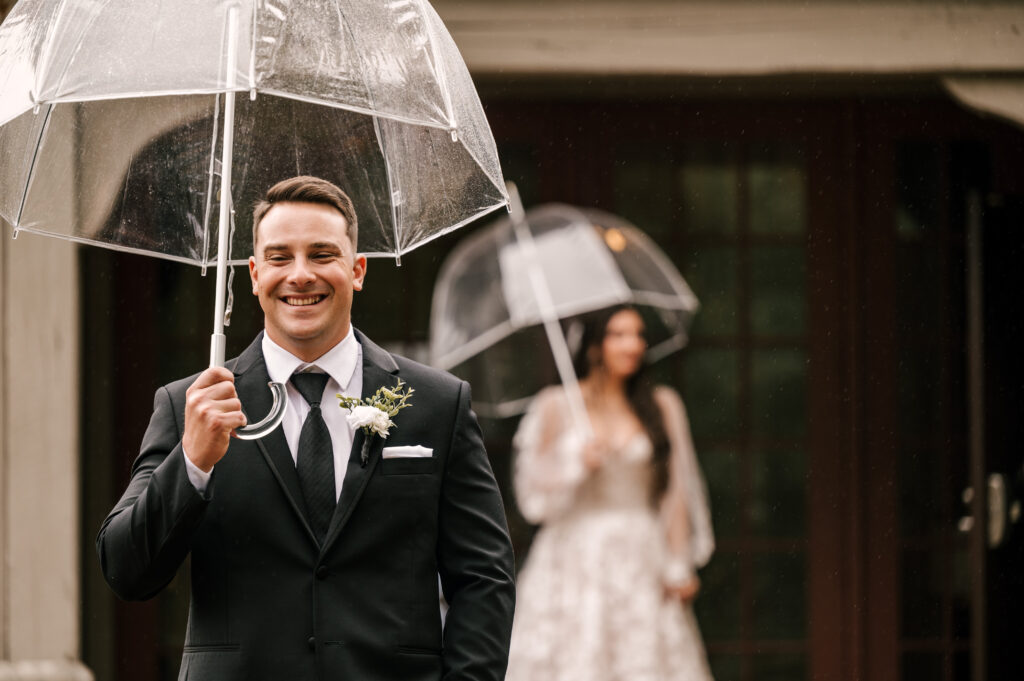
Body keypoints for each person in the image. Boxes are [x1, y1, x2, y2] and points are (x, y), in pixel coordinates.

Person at [97, 176, 516, 681]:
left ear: (356, 270)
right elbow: (127, 572)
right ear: (253, 274)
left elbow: (483, 579)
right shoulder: (190, 405)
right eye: (279, 257)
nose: (300, 275)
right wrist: (192, 463)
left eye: (322, 255)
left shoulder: (439, 403)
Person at [504, 305, 715, 681]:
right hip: (573, 558)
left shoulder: (662, 405)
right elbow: (532, 498)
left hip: (642, 553)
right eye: (619, 335)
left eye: (638, 335)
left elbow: (675, 490)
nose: (633, 344)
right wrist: (574, 466)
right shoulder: (555, 404)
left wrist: (679, 562)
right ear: (595, 346)